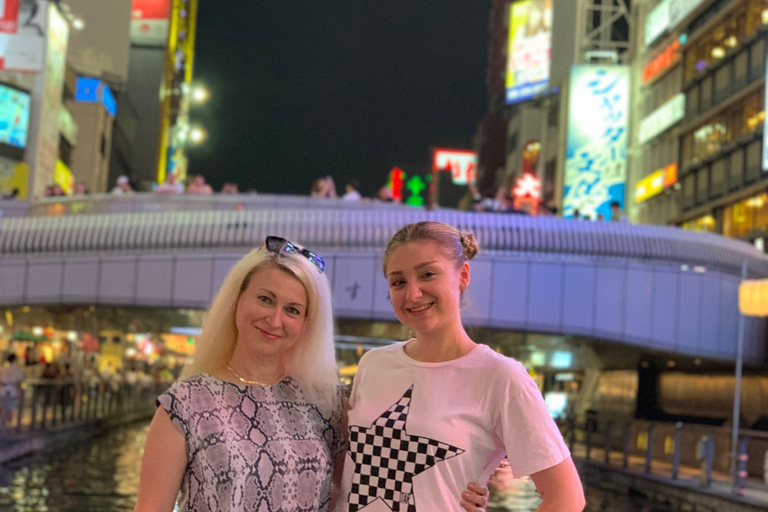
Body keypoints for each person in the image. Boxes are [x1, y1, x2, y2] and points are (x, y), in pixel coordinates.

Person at [337, 222, 585, 512]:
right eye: (398, 282)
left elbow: (566, 498)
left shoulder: (501, 377)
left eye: (427, 274)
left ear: (463, 275)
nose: (413, 293)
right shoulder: (373, 364)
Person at [134, 236, 345, 512]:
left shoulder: (328, 403)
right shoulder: (185, 404)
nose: (275, 319)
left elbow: (347, 498)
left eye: (292, 310)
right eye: (265, 299)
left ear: (307, 324)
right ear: (237, 300)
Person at [0, 354, 24, 427]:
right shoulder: (16, 369)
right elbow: (19, 381)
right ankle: (8, 424)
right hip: (12, 391)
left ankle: (2, 423)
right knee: (10, 408)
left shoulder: (2, 368)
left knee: (2, 407)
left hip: (2, 390)